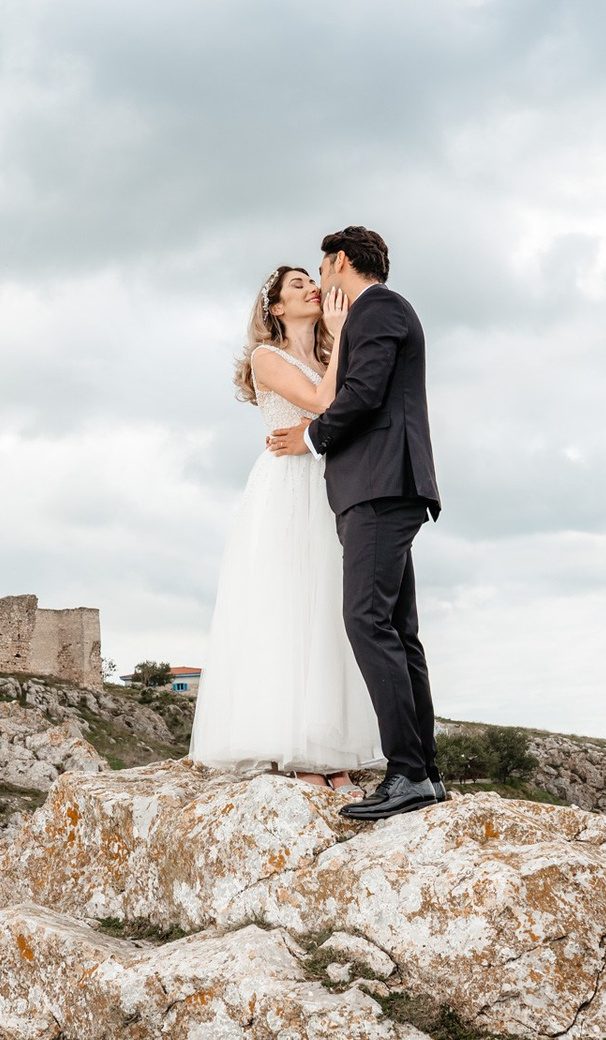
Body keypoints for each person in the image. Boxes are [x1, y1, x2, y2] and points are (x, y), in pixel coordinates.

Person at [267, 225, 444, 821]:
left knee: (366, 620)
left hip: (379, 485)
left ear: (340, 260)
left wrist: (311, 436)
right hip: (381, 486)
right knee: (397, 629)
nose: (321, 281)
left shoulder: (378, 309)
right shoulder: (377, 312)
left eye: (321, 269)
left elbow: (364, 393)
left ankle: (408, 772)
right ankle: (424, 774)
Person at [189, 265, 386, 798]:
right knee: (289, 606)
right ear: (275, 308)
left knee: (330, 610)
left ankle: (332, 750)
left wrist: (337, 346)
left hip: (330, 482)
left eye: (310, 281)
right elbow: (323, 403)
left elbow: (351, 408)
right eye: (297, 285)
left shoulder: (328, 357)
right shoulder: (266, 357)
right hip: (286, 488)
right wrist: (342, 336)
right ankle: (296, 748)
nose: (311, 288)